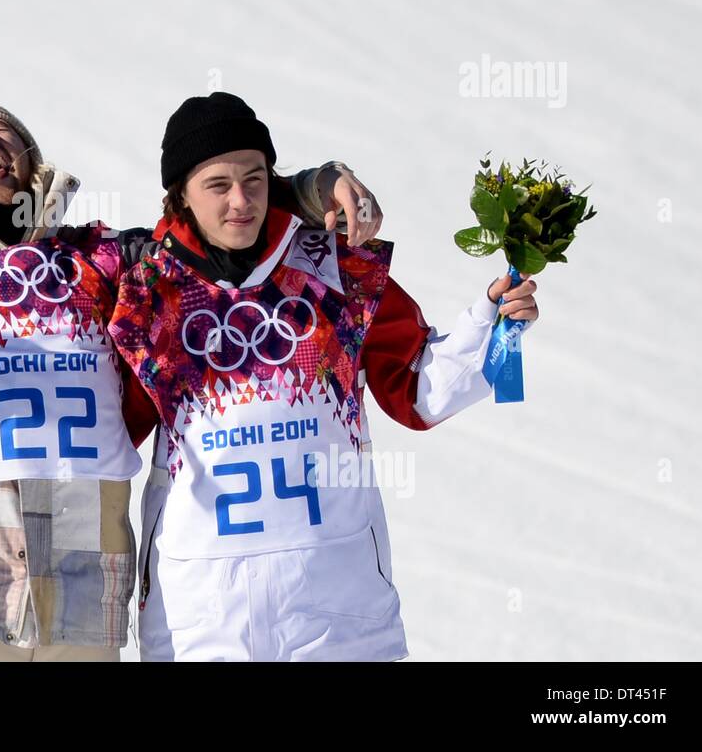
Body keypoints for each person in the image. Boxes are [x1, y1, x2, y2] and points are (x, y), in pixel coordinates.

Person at [0, 100, 387, 660]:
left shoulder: (103, 256)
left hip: (88, 580)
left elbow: (209, 216)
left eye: (5, 130)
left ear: (31, 162)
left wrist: (314, 186)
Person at [107, 91, 540, 661]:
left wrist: (493, 327)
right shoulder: (146, 292)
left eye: (255, 179)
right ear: (180, 195)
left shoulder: (331, 269)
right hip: (199, 616)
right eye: (218, 185)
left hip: (337, 611)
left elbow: (417, 390)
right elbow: (101, 434)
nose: (241, 201)